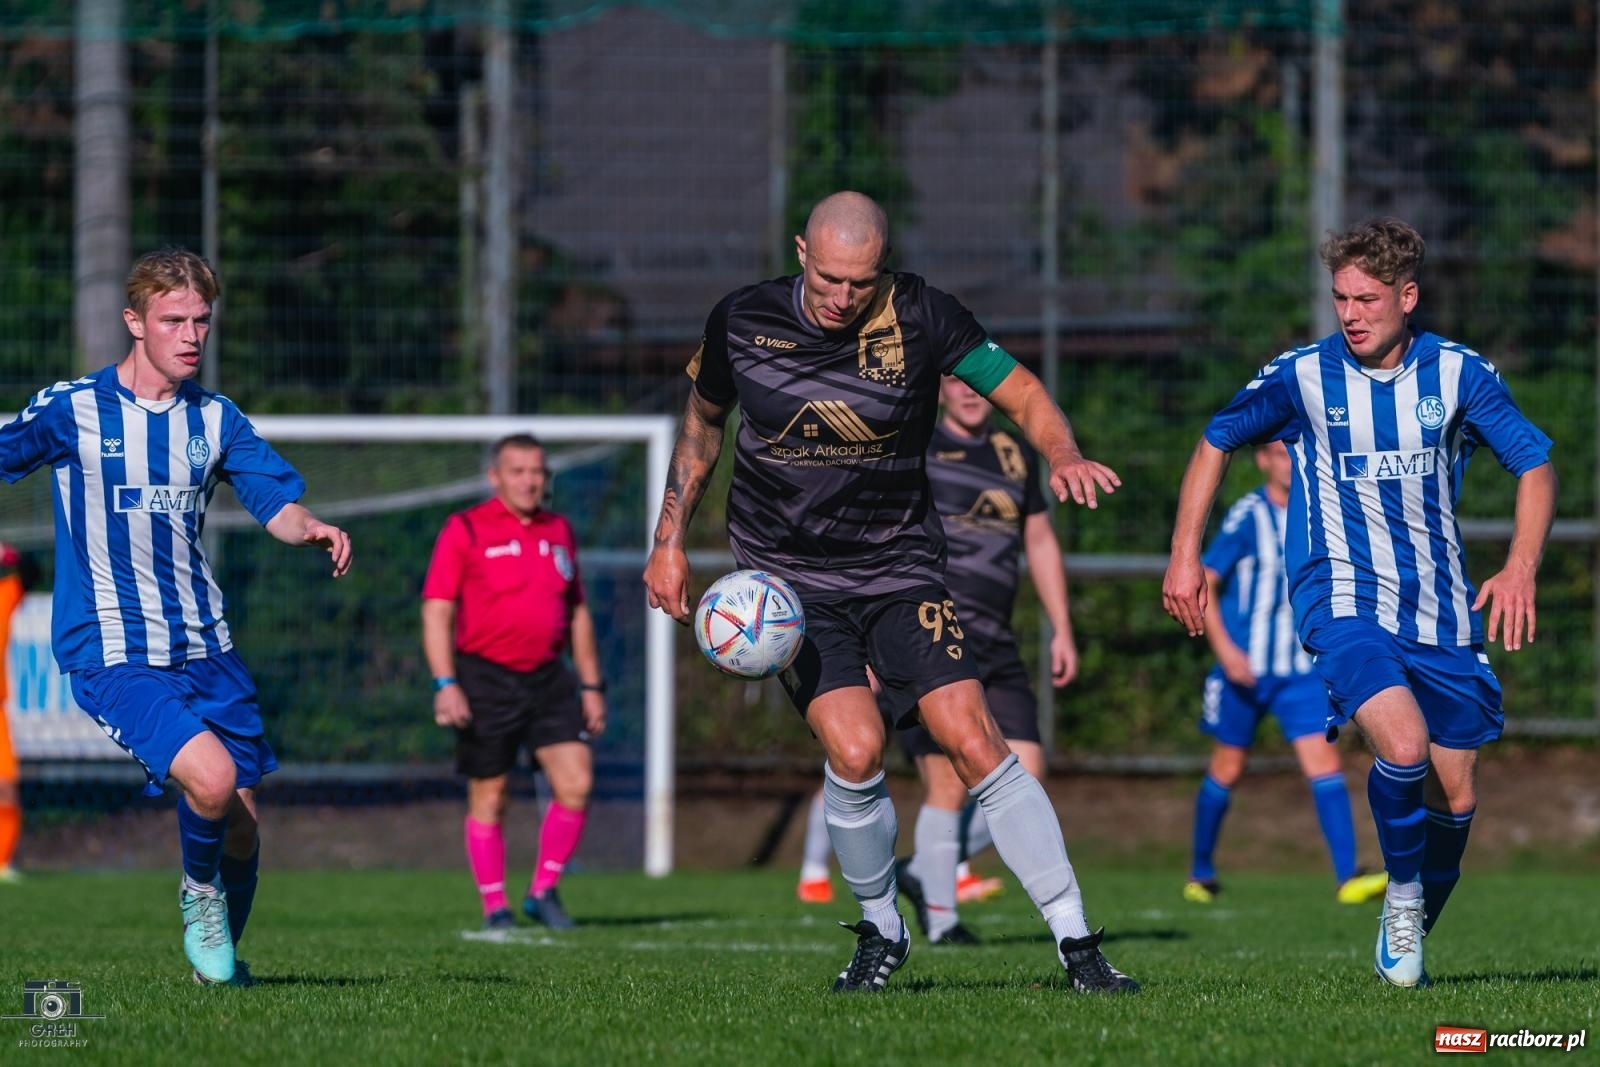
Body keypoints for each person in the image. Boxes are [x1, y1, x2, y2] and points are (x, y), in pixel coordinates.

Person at [645, 190, 1137, 994]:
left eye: (861, 283)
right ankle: (881, 929)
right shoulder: (739, 321)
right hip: (789, 583)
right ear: (802, 251)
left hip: (900, 567)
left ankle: (1080, 946)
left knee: (973, 737)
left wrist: (1063, 449)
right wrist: (668, 541)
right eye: (832, 278)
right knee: (858, 747)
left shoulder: (924, 316)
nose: (844, 298)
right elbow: (702, 424)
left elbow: (1020, 390)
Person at [1163, 218, 1556, 988]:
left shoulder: (1461, 375)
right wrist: (1184, 556)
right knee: (1401, 746)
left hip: (1441, 612)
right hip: (1339, 596)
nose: (1351, 313)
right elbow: (1217, 438)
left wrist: (1519, 567)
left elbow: (1534, 462)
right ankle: (1400, 895)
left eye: (1368, 298)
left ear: (1407, 297)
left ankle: (1407, 910)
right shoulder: (1301, 376)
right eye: (1340, 296)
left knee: (1457, 790)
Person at [0, 247, 354, 986]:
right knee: (214, 779)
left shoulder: (216, 419)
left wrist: (310, 526)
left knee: (244, 826)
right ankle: (197, 897)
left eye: (201, 320)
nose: (191, 335)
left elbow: (275, 505)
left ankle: (214, 969)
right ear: (134, 322)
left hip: (205, 646)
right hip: (109, 647)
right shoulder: (75, 409)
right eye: (174, 320)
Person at [1183, 440, 1389, 907]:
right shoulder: (1247, 516)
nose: (1289, 464)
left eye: (1295, 454)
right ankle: (1200, 872)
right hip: (1243, 669)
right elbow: (1207, 582)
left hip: (1300, 672)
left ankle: (1346, 878)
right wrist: (1226, 651)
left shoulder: (1322, 512)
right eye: (1279, 454)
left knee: (1324, 765)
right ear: (1262, 461)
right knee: (1228, 768)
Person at [421, 433, 607, 932]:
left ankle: (543, 890)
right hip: (484, 678)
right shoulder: (465, 529)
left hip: (550, 679)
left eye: (537, 472)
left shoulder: (560, 530)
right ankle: (494, 907)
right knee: (491, 795)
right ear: (495, 477)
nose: (529, 480)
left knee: (576, 782)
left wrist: (591, 685)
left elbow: (578, 613)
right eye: (518, 470)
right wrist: (445, 682)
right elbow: (437, 610)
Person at [0, 540, 34, 882]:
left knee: (6, 786)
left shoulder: (4, 595)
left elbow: (30, 571)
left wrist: (9, 553)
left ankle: (2, 862)